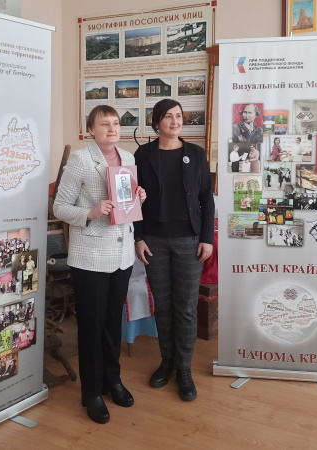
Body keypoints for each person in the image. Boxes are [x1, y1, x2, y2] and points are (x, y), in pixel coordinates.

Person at [53, 105, 146, 425]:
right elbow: (60, 207)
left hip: (122, 256)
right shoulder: (81, 160)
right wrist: (90, 213)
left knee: (111, 324)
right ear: (90, 129)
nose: (112, 128)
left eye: (116, 123)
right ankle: (91, 391)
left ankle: (112, 380)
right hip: (91, 257)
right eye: (104, 124)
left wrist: (138, 197)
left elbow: (127, 201)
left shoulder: (128, 158)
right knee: (92, 326)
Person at [134, 99, 214, 402]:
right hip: (154, 241)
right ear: (157, 121)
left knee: (186, 308)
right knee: (164, 306)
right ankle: (166, 361)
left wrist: (206, 237)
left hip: (189, 241)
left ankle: (184, 369)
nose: (175, 121)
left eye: (179, 116)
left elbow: (206, 198)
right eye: (168, 116)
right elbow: (133, 199)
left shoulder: (195, 153)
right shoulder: (143, 154)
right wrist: (138, 238)